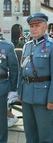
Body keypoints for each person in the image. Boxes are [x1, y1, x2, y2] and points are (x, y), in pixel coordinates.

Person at [18, 12, 53, 142]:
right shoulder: (28, 46)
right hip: (27, 95)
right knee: (30, 133)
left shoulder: (51, 46)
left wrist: (52, 99)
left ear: (46, 27)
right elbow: (22, 71)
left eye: (37, 25)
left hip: (44, 98)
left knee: (45, 135)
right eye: (31, 26)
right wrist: (20, 93)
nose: (33, 28)